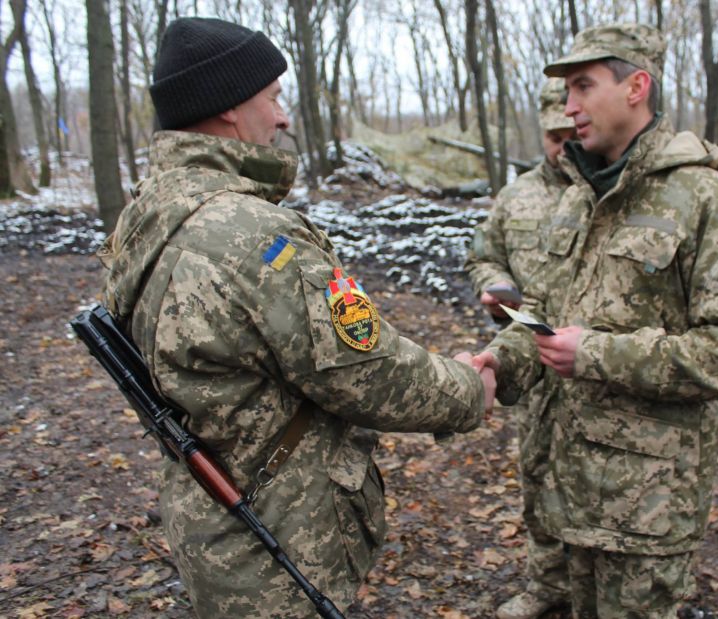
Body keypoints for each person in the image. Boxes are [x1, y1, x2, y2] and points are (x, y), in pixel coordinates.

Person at [97, 17, 495, 618]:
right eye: (274, 98)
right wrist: (467, 389)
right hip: (277, 538)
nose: (282, 117)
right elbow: (367, 371)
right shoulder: (251, 235)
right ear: (230, 106)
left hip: (212, 526)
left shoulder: (146, 218)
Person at [469, 23, 718, 618]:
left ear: (636, 87)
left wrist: (597, 355)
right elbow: (547, 314)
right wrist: (499, 362)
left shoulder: (704, 197)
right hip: (570, 485)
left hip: (646, 508)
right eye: (567, 90)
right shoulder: (579, 196)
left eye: (583, 86)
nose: (568, 107)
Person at [464, 77, 575, 619]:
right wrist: (496, 286)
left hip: (601, 363)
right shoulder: (517, 196)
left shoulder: (606, 194)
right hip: (530, 358)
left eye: (571, 134)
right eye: (554, 137)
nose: (564, 147)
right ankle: (549, 583)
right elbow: (483, 255)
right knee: (538, 472)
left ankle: (595, 587)